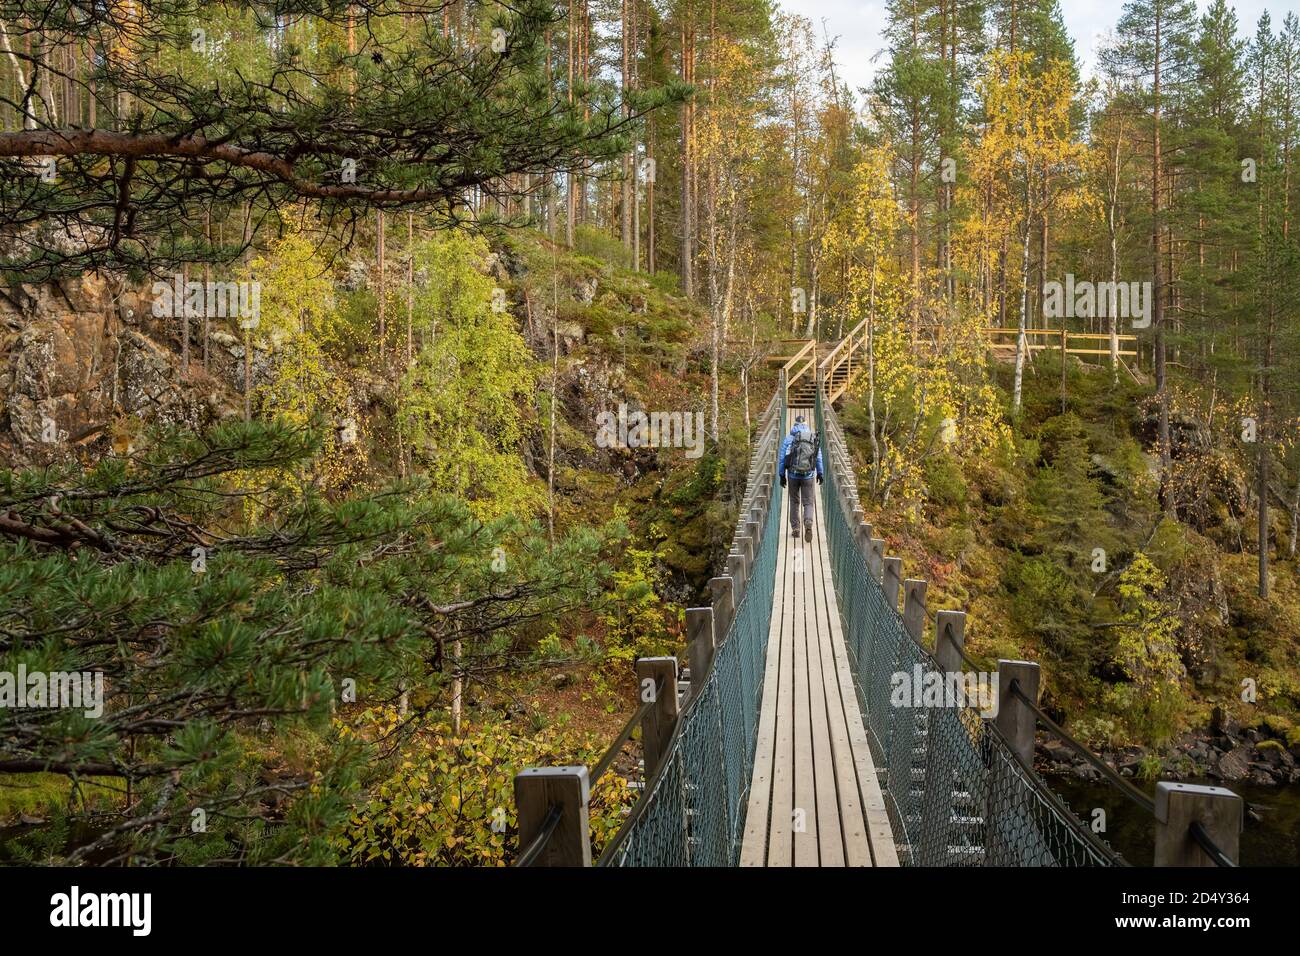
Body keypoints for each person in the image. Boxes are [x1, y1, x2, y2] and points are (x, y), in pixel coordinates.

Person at [778, 416, 823, 542]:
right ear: (806, 424)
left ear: (794, 425)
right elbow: (818, 457)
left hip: (792, 475)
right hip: (808, 475)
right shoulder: (812, 437)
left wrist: (782, 475)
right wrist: (820, 473)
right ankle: (808, 522)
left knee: (794, 501)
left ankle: (796, 528)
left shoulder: (789, 439)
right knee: (808, 501)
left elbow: (782, 458)